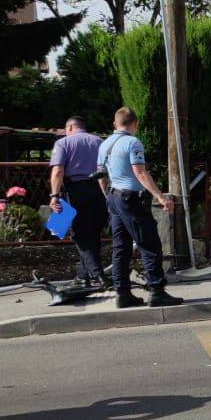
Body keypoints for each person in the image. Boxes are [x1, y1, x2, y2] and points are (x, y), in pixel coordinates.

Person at [98, 107, 183, 308]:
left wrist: (108, 199)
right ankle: (156, 290)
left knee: (121, 247)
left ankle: (122, 293)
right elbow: (141, 173)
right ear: (135, 124)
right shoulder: (133, 143)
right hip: (131, 199)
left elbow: (101, 176)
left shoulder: (105, 144)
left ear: (114, 124)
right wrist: (161, 197)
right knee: (149, 244)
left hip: (113, 197)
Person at [49, 117, 109, 289]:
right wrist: (104, 195)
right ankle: (82, 277)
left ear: (69, 127)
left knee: (80, 235)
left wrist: (54, 195)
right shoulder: (99, 141)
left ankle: (98, 275)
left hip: (75, 191)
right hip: (97, 190)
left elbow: (58, 170)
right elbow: (103, 172)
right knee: (93, 234)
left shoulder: (63, 143)